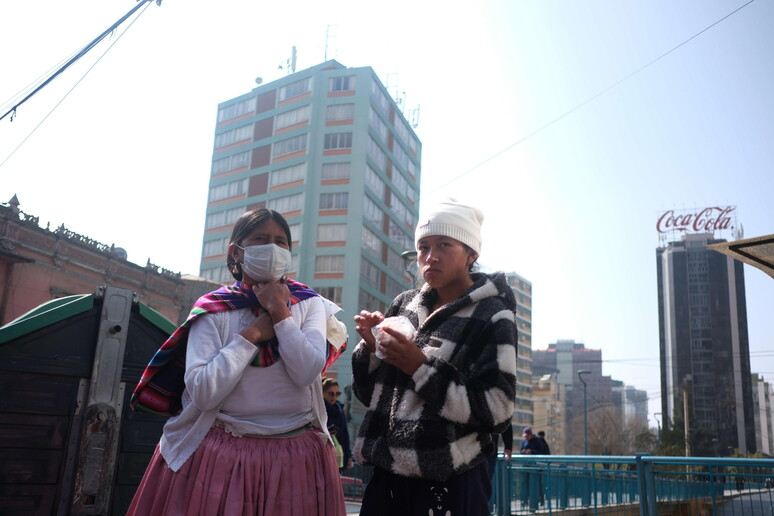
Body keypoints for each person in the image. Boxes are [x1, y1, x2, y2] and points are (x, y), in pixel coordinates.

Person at [127, 208, 346, 516]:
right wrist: (252, 335)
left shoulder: (309, 304)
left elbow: (307, 371)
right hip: (219, 456)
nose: (273, 248)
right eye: (261, 239)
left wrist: (281, 314)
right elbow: (204, 392)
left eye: (281, 242)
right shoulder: (214, 308)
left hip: (297, 456)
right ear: (236, 252)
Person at [352, 199, 519, 516]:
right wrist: (372, 350)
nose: (431, 257)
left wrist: (418, 365)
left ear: (471, 254)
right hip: (387, 473)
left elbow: (498, 410)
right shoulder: (404, 305)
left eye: (445, 244)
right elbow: (368, 394)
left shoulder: (493, 315)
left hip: (453, 478)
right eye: (423, 247)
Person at [322, 377, 353, 472]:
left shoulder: (339, 409)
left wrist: (348, 456)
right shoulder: (320, 410)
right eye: (331, 393)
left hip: (339, 455)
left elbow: (345, 434)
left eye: (337, 394)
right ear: (322, 392)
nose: (334, 397)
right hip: (324, 455)